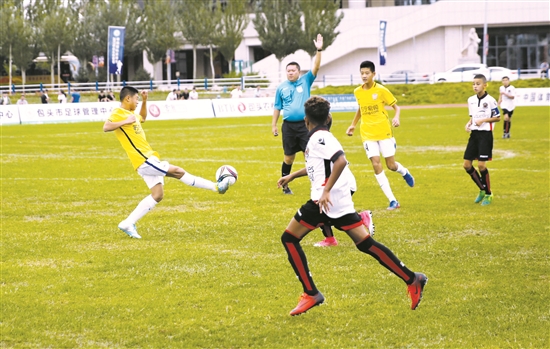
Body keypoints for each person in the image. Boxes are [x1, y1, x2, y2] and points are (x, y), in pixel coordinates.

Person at [277, 96, 427, 316]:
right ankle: (413, 279)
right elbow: (318, 166)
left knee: (289, 238)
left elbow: (340, 161)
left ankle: (311, 293)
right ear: (328, 118)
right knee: (366, 244)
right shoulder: (320, 138)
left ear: (306, 120)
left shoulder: (320, 138)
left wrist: (326, 190)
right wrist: (292, 176)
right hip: (335, 201)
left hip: (324, 201)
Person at [103, 86, 231, 239]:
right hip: (143, 159)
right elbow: (106, 127)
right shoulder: (119, 113)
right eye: (136, 99)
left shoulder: (131, 114)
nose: (137, 102)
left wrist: (144, 101)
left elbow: (142, 118)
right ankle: (216, 187)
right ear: (127, 98)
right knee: (178, 171)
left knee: (157, 195)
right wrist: (125, 121)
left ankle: (128, 223)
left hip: (149, 158)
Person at [346, 60, 414, 210]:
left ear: (373, 74)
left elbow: (396, 108)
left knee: (391, 165)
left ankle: (404, 172)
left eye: (367, 73)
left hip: (384, 132)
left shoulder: (382, 90)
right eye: (362, 73)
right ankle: (393, 200)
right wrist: (353, 124)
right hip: (367, 133)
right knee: (376, 164)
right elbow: (361, 108)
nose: (364, 76)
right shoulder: (358, 91)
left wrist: (396, 117)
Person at [272, 33, 324, 195]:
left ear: (298, 72)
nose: (290, 73)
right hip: (288, 126)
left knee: (309, 156)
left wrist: (319, 50)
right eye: (288, 71)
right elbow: (277, 107)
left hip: (305, 125)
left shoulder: (306, 80)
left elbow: (316, 67)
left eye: (293, 70)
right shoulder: (281, 87)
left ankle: (317, 184)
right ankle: (285, 185)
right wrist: (274, 124)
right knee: (289, 158)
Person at [463, 74, 500, 206]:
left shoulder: (490, 100)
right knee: (467, 165)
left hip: (485, 135)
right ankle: (482, 190)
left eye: (478, 84)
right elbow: (473, 116)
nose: (475, 86)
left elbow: (497, 117)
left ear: (485, 85)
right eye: (473, 84)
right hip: (474, 135)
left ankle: (489, 194)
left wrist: (483, 120)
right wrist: (469, 123)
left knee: (481, 165)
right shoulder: (471, 100)